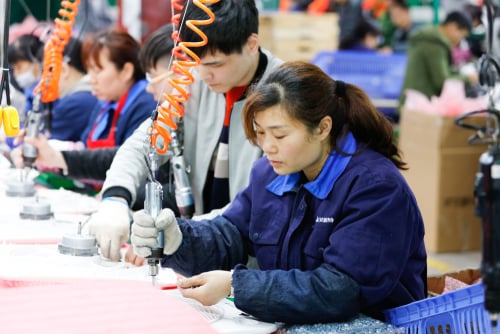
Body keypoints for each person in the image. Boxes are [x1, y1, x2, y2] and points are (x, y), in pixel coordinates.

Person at [130, 61, 427, 324]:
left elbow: (341, 290)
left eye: (280, 134)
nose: (267, 146)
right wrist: (177, 240)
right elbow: (228, 234)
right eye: (260, 133)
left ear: (323, 128)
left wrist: (236, 284)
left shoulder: (375, 188)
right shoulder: (269, 175)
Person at [86, 0, 283, 263]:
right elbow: (145, 143)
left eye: (215, 64)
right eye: (196, 62)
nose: (203, 74)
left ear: (251, 44)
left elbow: (252, 205)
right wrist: (115, 199)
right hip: (202, 250)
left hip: (254, 261)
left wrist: (179, 237)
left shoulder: (283, 95)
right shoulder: (197, 81)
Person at [10, 25, 175, 185]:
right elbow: (87, 148)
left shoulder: (146, 105)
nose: (92, 79)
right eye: (90, 71)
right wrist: (53, 155)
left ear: (126, 71)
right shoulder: (104, 104)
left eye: (98, 70)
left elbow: (131, 160)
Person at [401, 10, 479, 104]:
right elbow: (442, 81)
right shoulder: (435, 44)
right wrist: (468, 78)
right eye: (461, 35)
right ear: (452, 26)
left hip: (412, 103)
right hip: (419, 106)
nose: (459, 40)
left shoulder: (429, 39)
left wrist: (457, 72)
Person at [48, 37, 99, 142]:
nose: (44, 80)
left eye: (48, 71)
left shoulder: (73, 103)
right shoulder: (89, 95)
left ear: (64, 70)